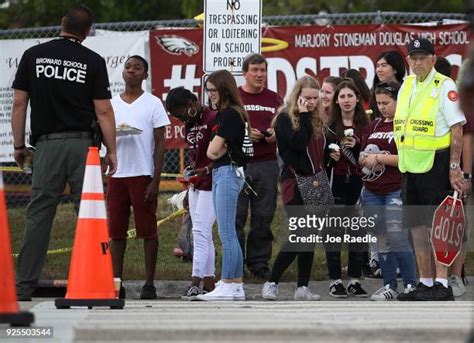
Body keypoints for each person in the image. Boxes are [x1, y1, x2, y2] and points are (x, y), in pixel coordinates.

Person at [11, 4, 117, 301]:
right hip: (85, 147)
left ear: (62, 23)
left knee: (39, 214)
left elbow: (20, 104)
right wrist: (112, 151)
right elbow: (104, 110)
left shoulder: (33, 55)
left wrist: (19, 146)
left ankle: (23, 286)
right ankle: (97, 282)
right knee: (92, 214)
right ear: (87, 33)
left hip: (47, 146)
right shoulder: (93, 60)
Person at [394, 38, 466, 301]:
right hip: (410, 165)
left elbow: (457, 128)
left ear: (433, 59)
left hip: (436, 163)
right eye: (413, 57)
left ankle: (442, 283)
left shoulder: (444, 85)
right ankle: (425, 282)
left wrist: (455, 167)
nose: (417, 62)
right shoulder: (406, 85)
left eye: (422, 57)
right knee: (416, 225)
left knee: (439, 226)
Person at [261, 76, 338, 301]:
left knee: (310, 235)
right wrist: (304, 116)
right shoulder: (285, 118)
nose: (313, 102)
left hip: (316, 181)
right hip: (294, 182)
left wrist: (330, 156)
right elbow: (296, 145)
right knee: (301, 235)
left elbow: (317, 154)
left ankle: (302, 287)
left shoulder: (318, 120)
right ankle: (272, 282)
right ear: (298, 96)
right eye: (307, 98)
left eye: (316, 98)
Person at [107, 56, 169, 299]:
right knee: (116, 232)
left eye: (137, 68)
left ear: (145, 75)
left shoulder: (152, 103)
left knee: (147, 230)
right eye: (128, 67)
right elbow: (106, 135)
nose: (131, 71)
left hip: (142, 174)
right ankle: (116, 283)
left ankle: (149, 284)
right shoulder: (111, 103)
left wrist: (156, 179)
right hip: (117, 174)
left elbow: (161, 142)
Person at [359, 81, 417, 300]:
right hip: (372, 189)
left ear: (398, 101)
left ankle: (411, 285)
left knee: (398, 238)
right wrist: (365, 160)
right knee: (381, 237)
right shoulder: (372, 126)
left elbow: (408, 158)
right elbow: (362, 158)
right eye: (379, 102)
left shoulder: (406, 125)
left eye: (386, 102)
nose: (382, 107)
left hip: (396, 190)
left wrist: (379, 158)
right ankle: (389, 286)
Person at [197, 70, 249, 301]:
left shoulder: (230, 115)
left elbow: (211, 150)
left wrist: (215, 148)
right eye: (208, 91)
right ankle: (234, 285)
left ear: (225, 89)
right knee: (227, 232)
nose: (211, 95)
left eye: (214, 90)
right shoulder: (224, 114)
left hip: (228, 171)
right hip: (222, 171)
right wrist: (216, 148)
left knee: (227, 232)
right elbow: (214, 149)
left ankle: (229, 282)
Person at [166, 86, 217, 300]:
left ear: (192, 102)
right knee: (202, 232)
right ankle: (210, 283)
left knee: (200, 233)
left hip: (213, 182)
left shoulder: (213, 118)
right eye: (177, 117)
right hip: (196, 184)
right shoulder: (190, 125)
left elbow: (222, 154)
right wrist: (189, 185)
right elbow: (194, 157)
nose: (181, 119)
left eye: (182, 113)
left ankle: (195, 282)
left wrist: (205, 171)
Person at [236, 53, 283, 279]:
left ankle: (259, 262)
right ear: (245, 73)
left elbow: (286, 126)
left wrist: (276, 134)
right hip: (239, 164)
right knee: (237, 216)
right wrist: (244, 133)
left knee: (263, 215)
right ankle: (235, 263)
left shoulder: (275, 99)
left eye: (263, 70)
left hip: (266, 163)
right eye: (254, 70)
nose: (259, 74)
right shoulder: (235, 96)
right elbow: (220, 126)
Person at [325, 80, 369, 298]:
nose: (346, 100)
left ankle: (354, 280)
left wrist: (358, 147)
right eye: (342, 96)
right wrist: (330, 156)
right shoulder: (329, 126)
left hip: (359, 183)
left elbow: (371, 154)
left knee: (357, 233)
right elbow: (321, 158)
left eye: (350, 96)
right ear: (336, 100)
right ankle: (334, 280)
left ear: (358, 98)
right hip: (337, 182)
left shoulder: (366, 124)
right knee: (334, 233)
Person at [370, 51, 406, 119]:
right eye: (377, 66)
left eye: (383, 65)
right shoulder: (374, 90)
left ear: (395, 69)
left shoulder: (407, 89)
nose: (379, 70)